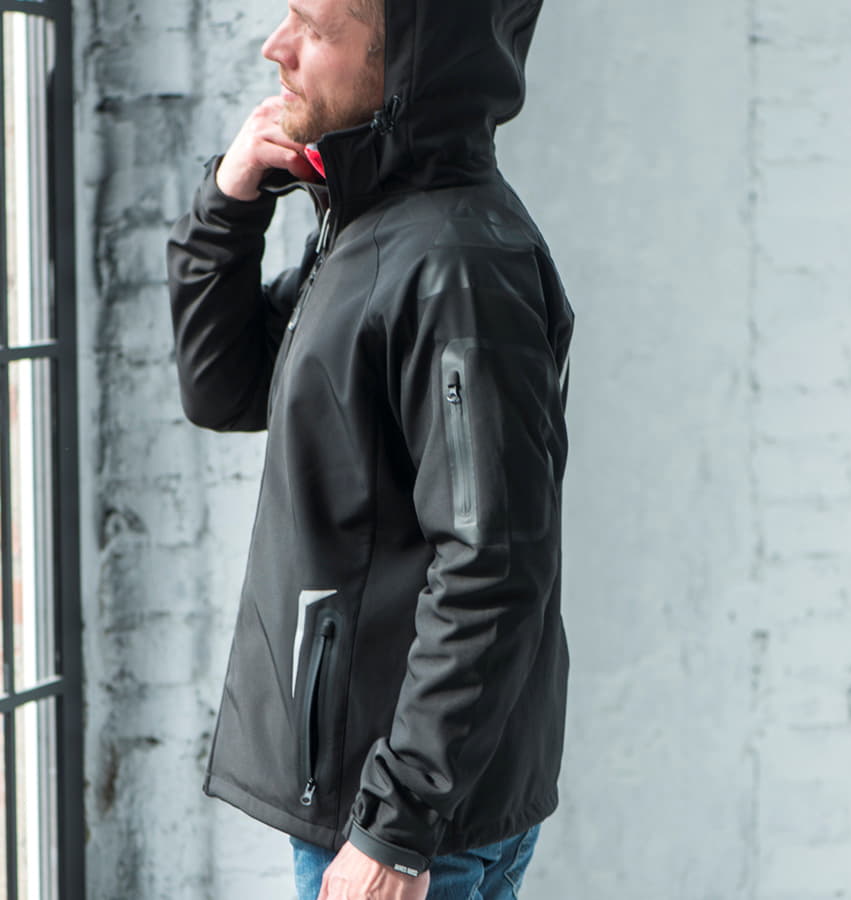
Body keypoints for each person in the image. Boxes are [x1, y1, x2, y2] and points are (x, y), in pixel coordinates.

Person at [166, 0, 573, 897]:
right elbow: (225, 386)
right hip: (378, 797)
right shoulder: (376, 235)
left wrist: (397, 830)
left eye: (312, 28)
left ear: (409, 65)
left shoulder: (454, 265)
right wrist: (228, 203)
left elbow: (493, 566)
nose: (275, 47)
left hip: (399, 820)